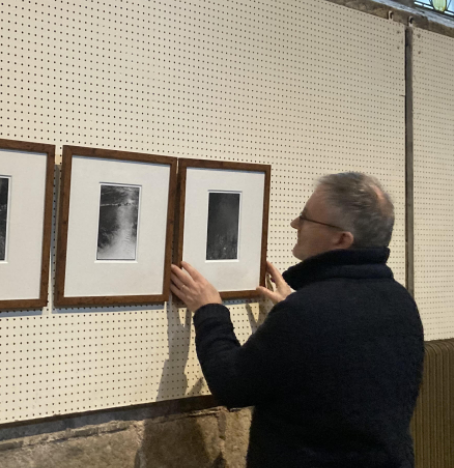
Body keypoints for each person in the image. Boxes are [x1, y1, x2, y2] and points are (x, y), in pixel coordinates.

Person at [170, 172, 424, 468]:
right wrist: (299, 309)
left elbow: (231, 385)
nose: (295, 223)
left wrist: (209, 310)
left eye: (306, 218)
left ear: (342, 239)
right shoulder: (400, 302)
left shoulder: (309, 313)